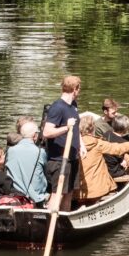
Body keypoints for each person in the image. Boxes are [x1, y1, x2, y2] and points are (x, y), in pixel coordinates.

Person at [78, 113, 129, 202]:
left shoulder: (104, 136)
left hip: (79, 191)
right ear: (92, 129)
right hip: (101, 186)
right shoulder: (98, 143)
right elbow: (120, 148)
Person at [43, 75, 84, 209]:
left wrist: (81, 145)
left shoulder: (73, 105)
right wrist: (66, 127)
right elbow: (46, 132)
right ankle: (49, 224)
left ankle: (63, 223)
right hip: (59, 160)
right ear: (75, 89)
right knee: (58, 194)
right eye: (79, 89)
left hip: (73, 158)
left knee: (69, 194)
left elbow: (76, 128)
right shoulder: (57, 107)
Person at [5, 117, 50, 206]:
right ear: (35, 135)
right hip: (36, 198)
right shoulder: (40, 152)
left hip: (16, 196)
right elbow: (47, 172)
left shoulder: (10, 151)